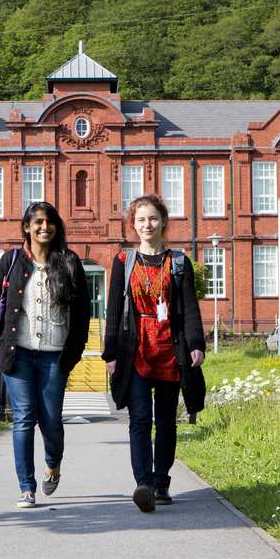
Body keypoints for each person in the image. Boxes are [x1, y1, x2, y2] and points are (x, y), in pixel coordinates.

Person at [0, 202, 90, 509]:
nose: (44, 227)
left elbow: (82, 313)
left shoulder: (70, 262)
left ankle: (53, 464)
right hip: (17, 353)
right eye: (38, 222)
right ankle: (26, 486)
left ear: (56, 227)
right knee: (23, 419)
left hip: (54, 356)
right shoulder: (11, 261)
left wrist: (74, 353)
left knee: (51, 422)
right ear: (27, 227)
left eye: (49, 222)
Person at [102, 194, 206, 513]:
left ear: (163, 222)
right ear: (133, 225)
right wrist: (110, 353)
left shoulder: (178, 262)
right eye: (140, 220)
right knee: (139, 418)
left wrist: (196, 344)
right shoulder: (124, 261)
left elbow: (189, 307)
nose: (147, 225)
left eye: (152, 219)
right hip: (135, 349)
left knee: (166, 421)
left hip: (169, 350)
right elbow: (113, 309)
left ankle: (161, 481)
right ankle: (143, 484)